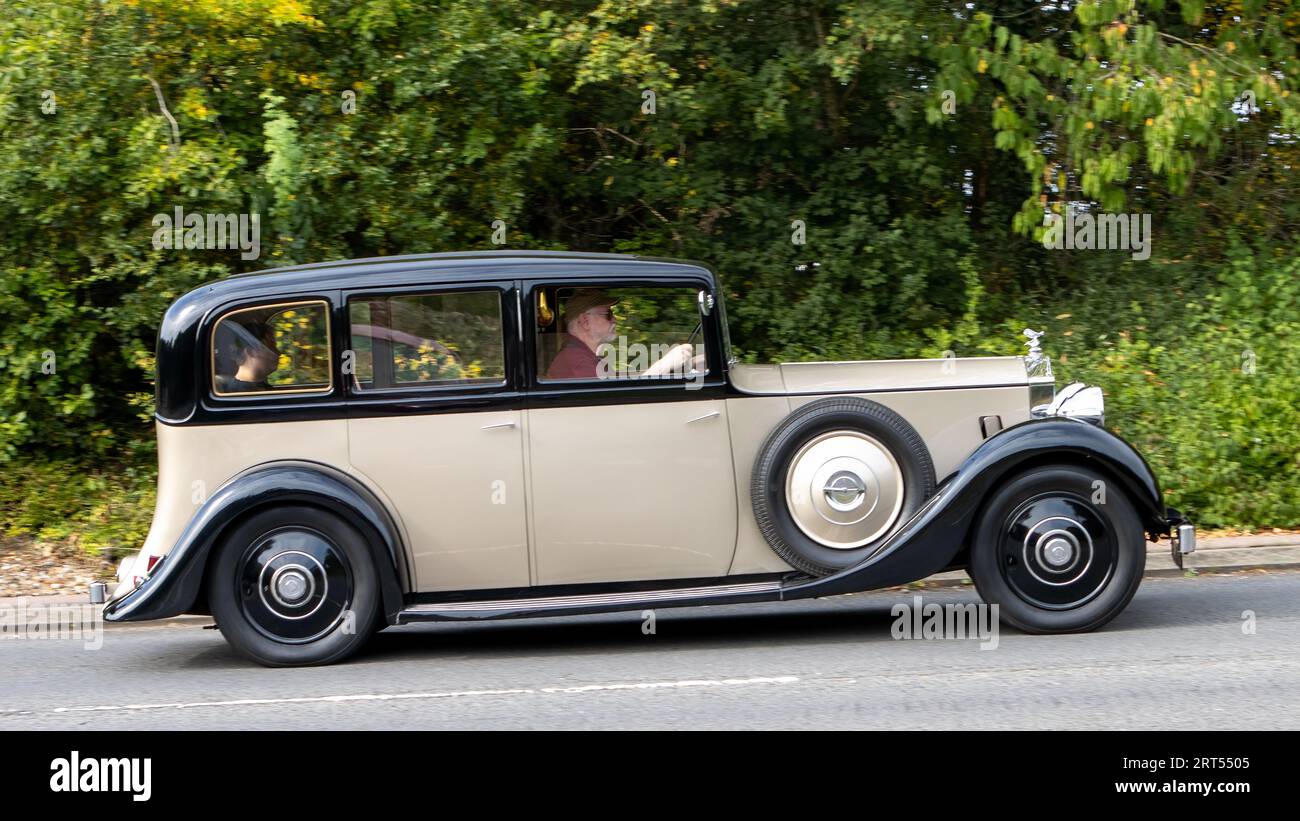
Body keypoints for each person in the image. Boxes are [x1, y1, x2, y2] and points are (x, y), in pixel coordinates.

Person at [545, 289, 700, 380]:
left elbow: (620, 383)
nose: (614, 319)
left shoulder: (584, 356)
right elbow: (616, 402)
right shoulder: (577, 361)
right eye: (608, 314)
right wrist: (664, 365)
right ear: (585, 321)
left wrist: (690, 363)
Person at [214, 320, 280, 392]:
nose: (279, 352)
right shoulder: (237, 394)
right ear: (251, 352)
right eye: (271, 346)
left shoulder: (261, 388)